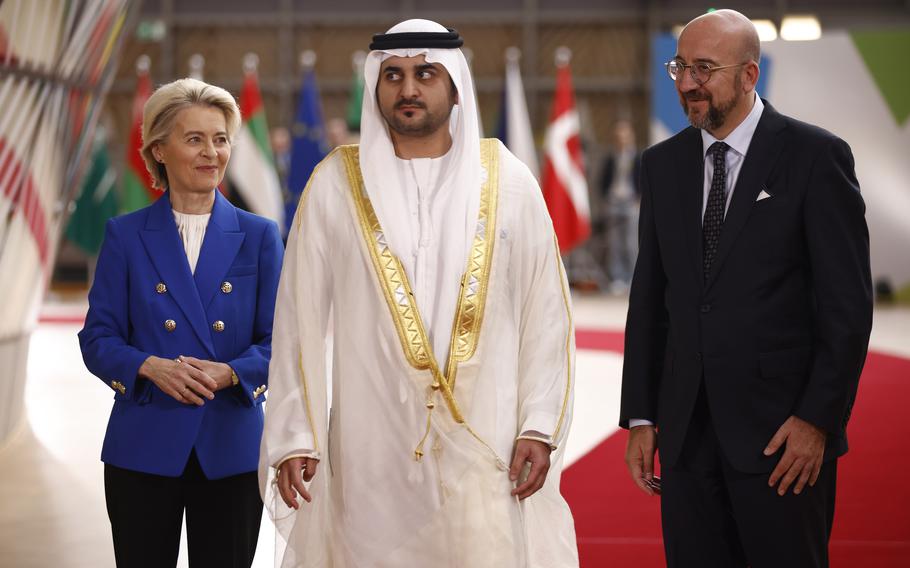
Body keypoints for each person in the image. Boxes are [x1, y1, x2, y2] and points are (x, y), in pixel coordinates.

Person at [260, 19, 578, 567]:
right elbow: (297, 316)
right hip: (370, 445)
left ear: (454, 87)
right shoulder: (336, 183)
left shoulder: (507, 178)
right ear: (374, 87)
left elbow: (544, 312)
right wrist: (295, 434)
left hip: (488, 439)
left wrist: (539, 425)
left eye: (425, 74)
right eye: (394, 75)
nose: (408, 88)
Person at [619, 9, 873, 568]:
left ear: (750, 75)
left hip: (782, 440)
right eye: (680, 66)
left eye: (704, 68)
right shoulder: (661, 166)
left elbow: (847, 309)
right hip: (686, 439)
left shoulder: (815, 157)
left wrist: (818, 422)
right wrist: (641, 416)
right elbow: (650, 299)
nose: (687, 82)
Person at [79, 78, 283, 567]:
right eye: (194, 139)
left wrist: (231, 372)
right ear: (158, 150)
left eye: (220, 138)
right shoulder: (125, 236)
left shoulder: (259, 235)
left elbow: (283, 340)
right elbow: (97, 338)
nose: (211, 152)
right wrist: (149, 365)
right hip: (144, 444)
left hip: (230, 445)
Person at [598, 119, 641, 292]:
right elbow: (602, 181)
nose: (622, 138)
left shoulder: (638, 157)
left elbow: (643, 180)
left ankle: (632, 277)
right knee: (614, 243)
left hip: (631, 202)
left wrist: (640, 198)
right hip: (614, 202)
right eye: (618, 135)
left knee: (631, 242)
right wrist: (605, 198)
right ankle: (617, 278)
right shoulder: (611, 158)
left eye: (625, 134)